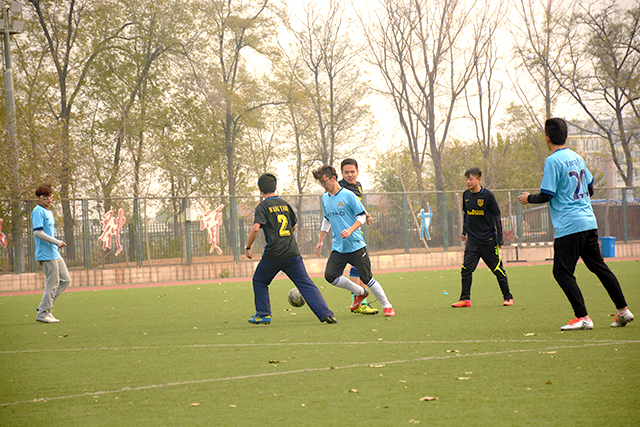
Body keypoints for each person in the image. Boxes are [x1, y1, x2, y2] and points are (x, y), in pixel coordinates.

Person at [517, 117, 633, 330]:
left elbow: (547, 195)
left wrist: (528, 198)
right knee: (599, 267)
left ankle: (583, 318)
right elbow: (590, 187)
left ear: (546, 138)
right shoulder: (577, 157)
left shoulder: (553, 161)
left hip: (569, 225)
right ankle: (623, 310)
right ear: (567, 136)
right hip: (588, 222)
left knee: (561, 272)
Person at [245, 173, 336, 325]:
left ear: (260, 190)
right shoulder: (285, 204)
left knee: (259, 280)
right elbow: (293, 227)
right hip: (292, 252)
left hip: (273, 254)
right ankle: (326, 313)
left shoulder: (262, 207)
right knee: (305, 283)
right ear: (275, 187)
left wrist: (248, 247)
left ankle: (263, 314)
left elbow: (255, 229)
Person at [313, 165, 395, 317]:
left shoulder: (348, 195)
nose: (323, 185)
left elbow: (362, 216)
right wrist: (320, 240)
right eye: (321, 183)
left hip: (356, 245)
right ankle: (360, 292)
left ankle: (387, 306)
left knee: (367, 278)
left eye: (325, 182)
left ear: (333, 178)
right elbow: (326, 219)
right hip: (339, 247)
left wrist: (350, 230)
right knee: (330, 276)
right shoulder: (325, 198)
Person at [452, 168, 513, 308]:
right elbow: (467, 215)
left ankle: (508, 297)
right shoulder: (466, 195)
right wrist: (464, 231)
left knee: (497, 269)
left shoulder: (488, 196)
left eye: (470, 179)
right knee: (466, 269)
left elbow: (497, 217)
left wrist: (500, 238)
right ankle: (465, 299)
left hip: (488, 241)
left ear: (478, 179)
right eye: (466, 179)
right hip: (473, 241)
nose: (468, 182)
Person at [339, 158, 378, 315]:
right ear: (341, 174)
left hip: (356, 230)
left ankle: (359, 301)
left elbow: (358, 205)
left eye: (352, 172)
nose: (350, 175)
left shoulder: (358, 186)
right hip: (347, 232)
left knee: (360, 266)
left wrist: (366, 214)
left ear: (357, 172)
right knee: (360, 266)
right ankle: (359, 302)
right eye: (346, 172)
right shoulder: (340, 188)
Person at [33, 183, 70, 323]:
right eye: (45, 197)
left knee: (65, 280)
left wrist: (55, 245)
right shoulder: (38, 211)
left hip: (54, 253)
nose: (49, 199)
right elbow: (38, 232)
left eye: (50, 196)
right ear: (39, 198)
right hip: (46, 254)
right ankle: (43, 313)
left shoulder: (49, 211)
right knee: (52, 284)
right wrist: (57, 242)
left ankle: (44, 307)